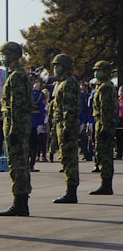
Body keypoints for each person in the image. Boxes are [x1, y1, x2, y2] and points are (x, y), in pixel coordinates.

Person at [0, 42, 34, 217]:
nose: (1, 58)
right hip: (18, 125)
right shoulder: (17, 75)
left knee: (17, 165)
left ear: (10, 55)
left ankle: (20, 203)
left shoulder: (16, 76)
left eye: (3, 55)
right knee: (20, 164)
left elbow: (17, 105)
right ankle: (21, 201)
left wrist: (13, 130)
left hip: (16, 126)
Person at [49, 53, 81, 204]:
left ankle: (71, 192)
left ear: (66, 67)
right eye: (54, 65)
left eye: (58, 66)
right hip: (62, 125)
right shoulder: (64, 83)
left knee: (69, 160)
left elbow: (68, 108)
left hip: (66, 126)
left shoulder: (68, 83)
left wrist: (67, 127)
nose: (55, 68)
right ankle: (70, 190)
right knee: (67, 159)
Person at [89, 60, 116, 195]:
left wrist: (104, 127)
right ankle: (105, 183)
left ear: (105, 72)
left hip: (103, 122)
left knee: (104, 154)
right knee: (104, 153)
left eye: (99, 70)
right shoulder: (105, 86)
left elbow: (105, 109)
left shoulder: (105, 87)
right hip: (103, 122)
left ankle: (106, 184)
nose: (96, 72)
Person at [30, 77, 47, 171]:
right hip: (35, 121)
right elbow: (41, 109)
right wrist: (41, 123)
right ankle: (31, 165)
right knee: (33, 145)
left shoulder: (25, 94)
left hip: (25, 121)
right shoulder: (40, 95)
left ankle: (27, 164)